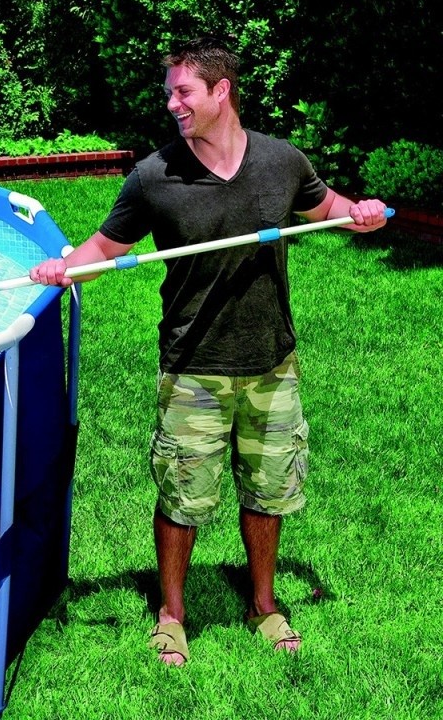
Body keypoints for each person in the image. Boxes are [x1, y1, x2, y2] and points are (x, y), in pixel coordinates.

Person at [30, 36, 388, 666]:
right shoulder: (154, 176)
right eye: (170, 92)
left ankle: (264, 604)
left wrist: (361, 213)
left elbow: (328, 207)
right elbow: (104, 248)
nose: (173, 104)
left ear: (221, 91)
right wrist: (63, 269)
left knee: (269, 491)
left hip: (272, 361)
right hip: (193, 364)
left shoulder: (282, 162)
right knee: (183, 495)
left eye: (183, 91)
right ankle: (171, 614)